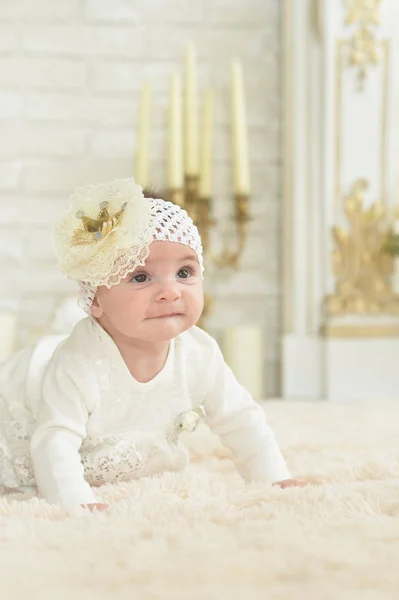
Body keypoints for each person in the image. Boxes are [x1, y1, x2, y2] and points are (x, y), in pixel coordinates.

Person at [0, 178, 305, 511]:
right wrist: (76, 502)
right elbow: (52, 440)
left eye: (185, 272)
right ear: (96, 299)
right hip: (23, 395)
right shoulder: (78, 362)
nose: (171, 291)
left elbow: (240, 418)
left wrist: (273, 476)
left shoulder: (198, 353)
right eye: (141, 277)